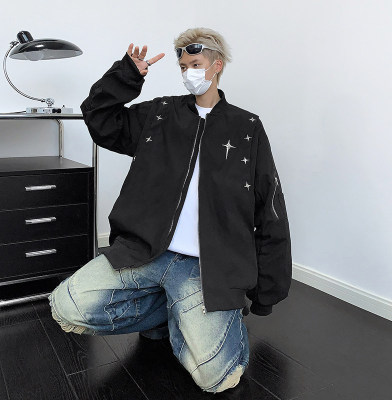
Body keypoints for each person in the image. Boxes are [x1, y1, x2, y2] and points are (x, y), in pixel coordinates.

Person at [48, 27, 292, 394]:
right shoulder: (160, 114)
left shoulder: (247, 127)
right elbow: (100, 120)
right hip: (146, 252)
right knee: (66, 306)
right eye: (183, 66)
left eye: (196, 64)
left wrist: (266, 292)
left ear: (217, 65)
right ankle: (170, 310)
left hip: (207, 267)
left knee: (216, 378)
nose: (188, 72)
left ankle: (205, 319)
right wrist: (126, 75)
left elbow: (270, 207)